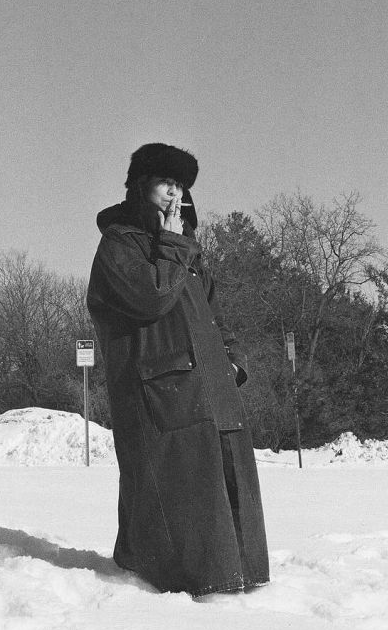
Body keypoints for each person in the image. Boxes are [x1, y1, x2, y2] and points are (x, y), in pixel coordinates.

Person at [87, 142, 269, 597]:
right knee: (175, 484)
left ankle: (238, 574)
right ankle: (178, 578)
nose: (175, 195)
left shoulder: (184, 247)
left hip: (210, 385)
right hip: (159, 389)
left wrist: (232, 361)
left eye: (181, 187)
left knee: (224, 477)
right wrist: (172, 244)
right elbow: (151, 297)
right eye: (167, 184)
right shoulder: (119, 244)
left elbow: (210, 313)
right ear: (141, 185)